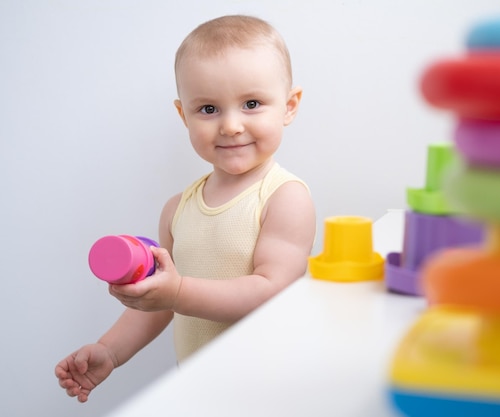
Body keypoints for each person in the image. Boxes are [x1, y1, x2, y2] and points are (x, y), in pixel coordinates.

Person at [55, 15, 316, 403]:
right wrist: (110, 350)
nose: (230, 125)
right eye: (208, 109)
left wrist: (178, 291)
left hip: (268, 394)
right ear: (184, 115)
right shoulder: (177, 209)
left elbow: (271, 292)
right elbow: (159, 304)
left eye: (251, 104)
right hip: (198, 393)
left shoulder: (284, 197)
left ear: (289, 106)